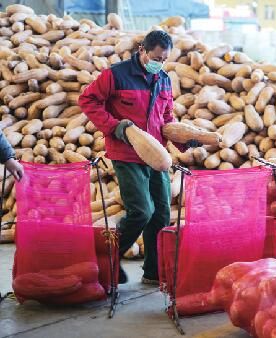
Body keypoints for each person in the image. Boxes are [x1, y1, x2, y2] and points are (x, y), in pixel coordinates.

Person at [79, 30, 199, 284]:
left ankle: (154, 272)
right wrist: (114, 126)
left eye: (164, 59)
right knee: (141, 211)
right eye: (156, 57)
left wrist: (182, 139)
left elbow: (166, 119)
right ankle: (108, 256)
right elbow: (88, 100)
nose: (160, 63)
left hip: (156, 154)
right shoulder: (117, 74)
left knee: (161, 213)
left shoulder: (164, 79)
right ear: (143, 50)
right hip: (126, 153)